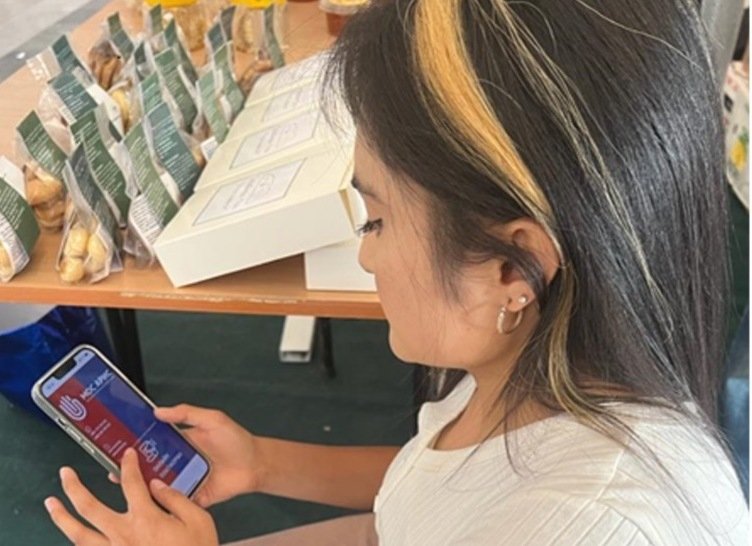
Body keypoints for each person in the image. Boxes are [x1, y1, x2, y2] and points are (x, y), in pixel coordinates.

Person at [42, 0, 749, 544]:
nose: (365, 253)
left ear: (513, 267)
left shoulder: (589, 526)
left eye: (376, 219)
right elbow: (425, 502)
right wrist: (261, 463)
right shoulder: (540, 373)